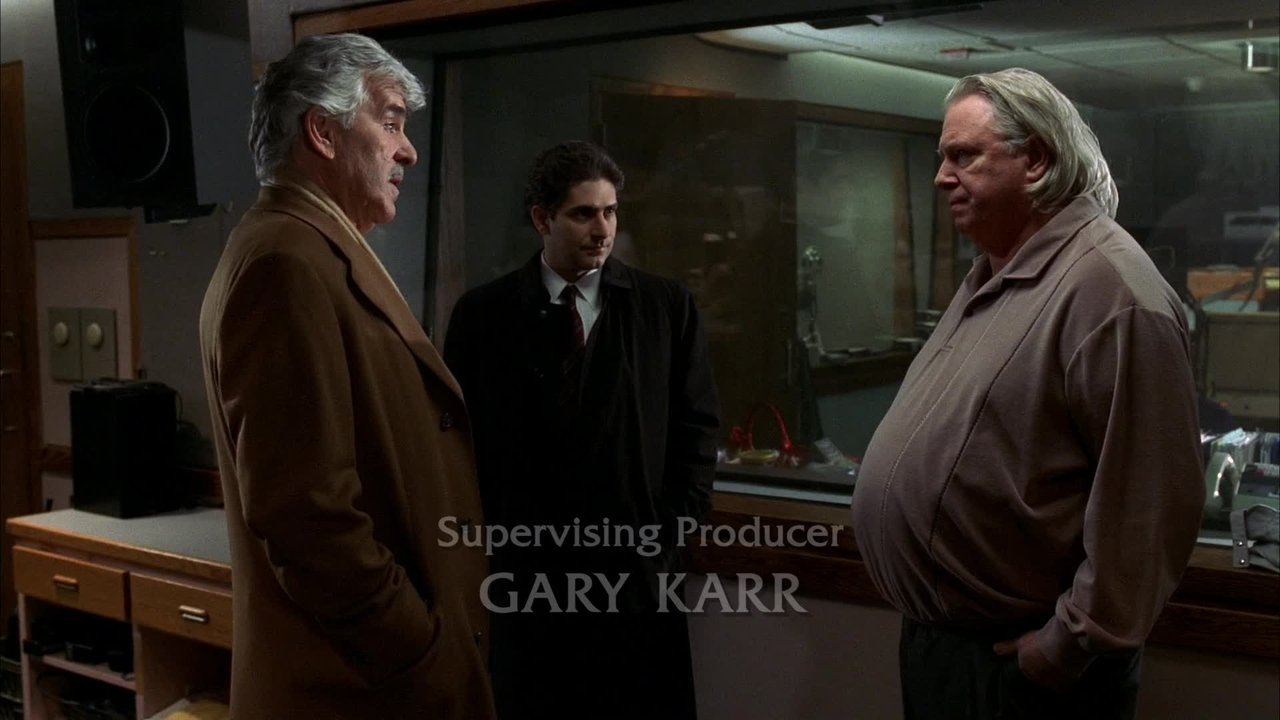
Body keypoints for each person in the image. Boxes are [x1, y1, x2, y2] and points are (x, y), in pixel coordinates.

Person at [850, 68, 1204, 720]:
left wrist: (1068, 646)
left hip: (1023, 669)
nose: (941, 177)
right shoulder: (997, 270)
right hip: (949, 650)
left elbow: (1151, 504)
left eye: (964, 157)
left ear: (1036, 159)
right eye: (942, 158)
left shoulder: (1111, 290)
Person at [199, 33, 494, 719]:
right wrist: (417, 649)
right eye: (390, 122)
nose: (407, 150)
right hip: (359, 689)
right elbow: (306, 517)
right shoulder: (285, 262)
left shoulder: (312, 247)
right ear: (323, 133)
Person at [443, 140, 719, 719]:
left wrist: (669, 531)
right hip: (529, 573)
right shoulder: (484, 315)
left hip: (635, 571)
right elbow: (459, 443)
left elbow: (696, 428)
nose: (603, 229)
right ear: (542, 219)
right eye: (584, 213)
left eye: (611, 212)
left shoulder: (664, 307)